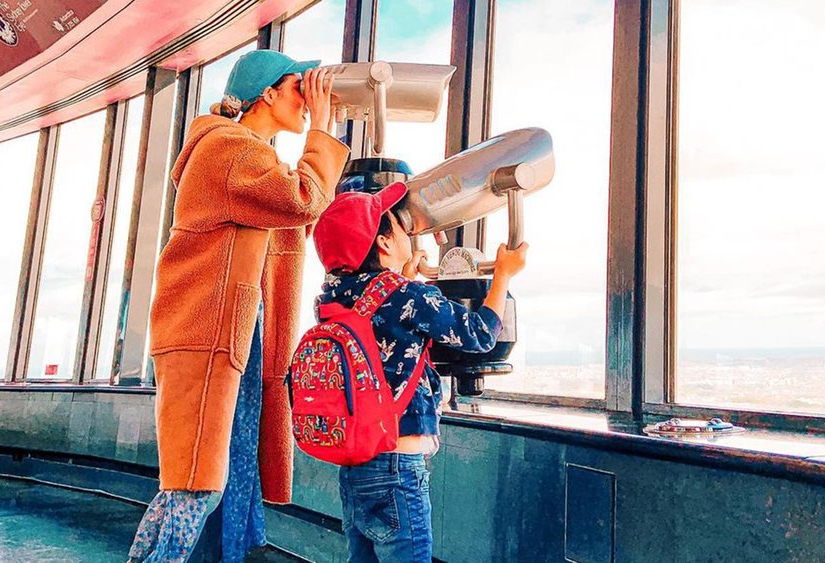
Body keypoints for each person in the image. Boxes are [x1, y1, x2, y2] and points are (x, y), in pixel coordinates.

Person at [128, 49, 350, 562]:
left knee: (197, 484)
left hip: (222, 332)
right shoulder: (229, 148)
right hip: (207, 333)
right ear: (267, 94)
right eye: (298, 87)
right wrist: (322, 129)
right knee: (197, 485)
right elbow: (301, 199)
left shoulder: (247, 154)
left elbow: (294, 216)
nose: (306, 99)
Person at [310, 183, 528, 561]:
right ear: (384, 243)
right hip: (398, 466)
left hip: (354, 466)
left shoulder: (330, 299)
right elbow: (478, 334)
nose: (408, 231)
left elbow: (381, 330)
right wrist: (503, 275)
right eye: (400, 224)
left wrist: (405, 280)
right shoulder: (406, 295)